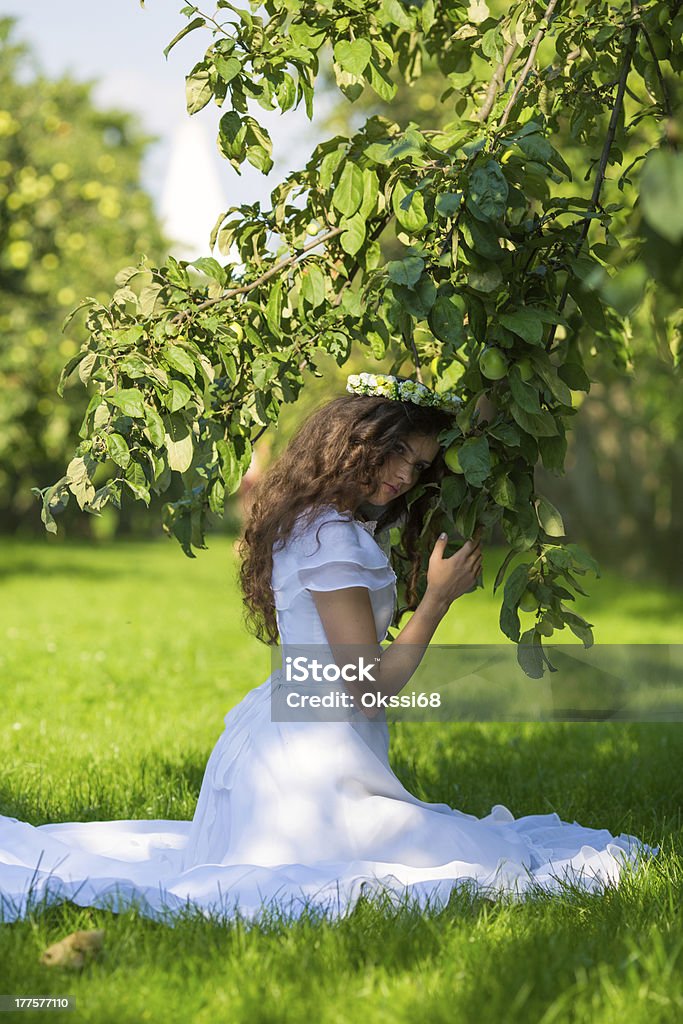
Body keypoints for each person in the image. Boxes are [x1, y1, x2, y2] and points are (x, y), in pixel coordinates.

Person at [0, 373, 657, 925]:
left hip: (295, 744)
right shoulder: (333, 541)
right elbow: (366, 688)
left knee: (475, 848)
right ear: (353, 442)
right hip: (304, 773)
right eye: (396, 453)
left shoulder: (317, 522)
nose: (405, 475)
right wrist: (435, 600)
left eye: (419, 465)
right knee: (487, 859)